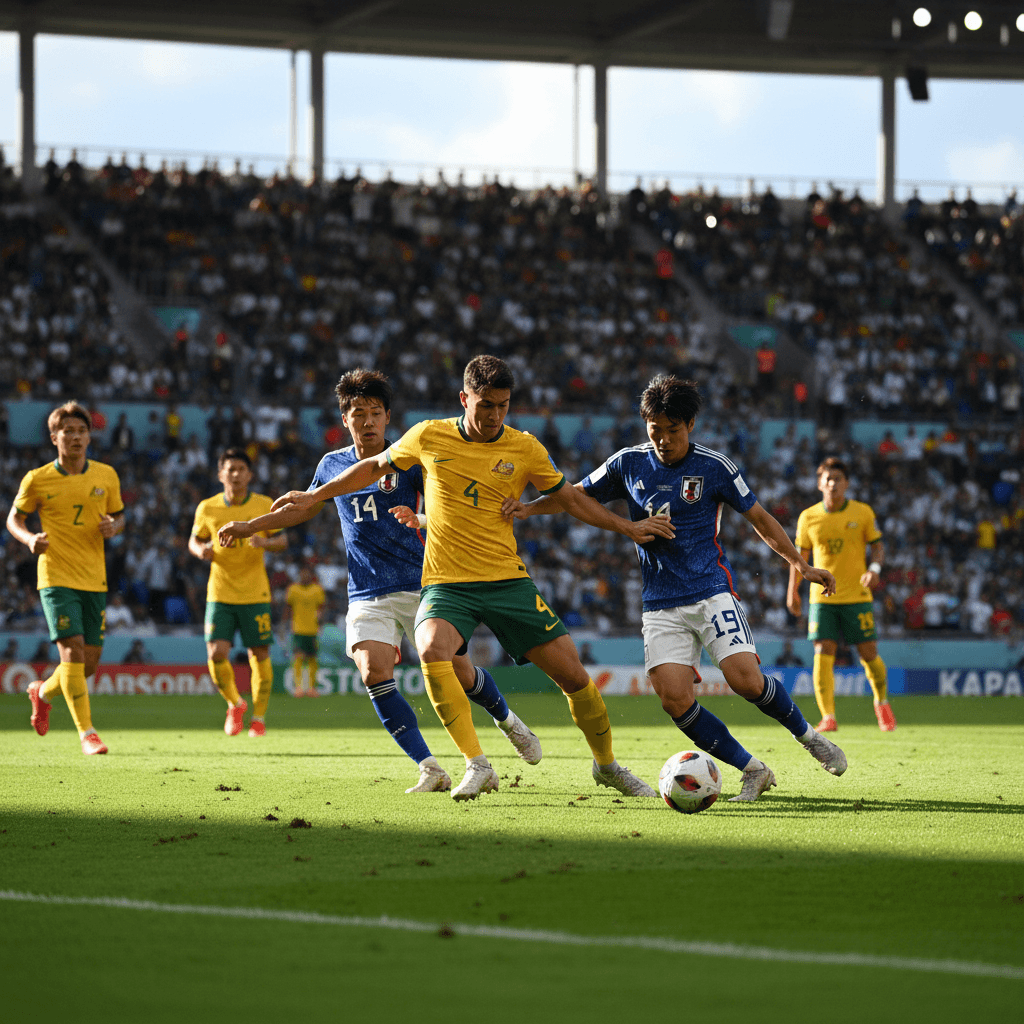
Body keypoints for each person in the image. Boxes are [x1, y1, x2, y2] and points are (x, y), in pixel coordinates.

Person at [265, 357, 674, 800]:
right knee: (431, 650)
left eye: (503, 405)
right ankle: (476, 764)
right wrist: (316, 495)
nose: (495, 415)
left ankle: (607, 766)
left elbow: (570, 499)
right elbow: (373, 468)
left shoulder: (525, 448)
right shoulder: (428, 435)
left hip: (507, 580)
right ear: (465, 399)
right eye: (485, 405)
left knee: (574, 677)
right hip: (447, 583)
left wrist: (627, 527)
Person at [503, 375, 847, 802]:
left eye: (673, 430)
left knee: (745, 681)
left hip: (710, 591)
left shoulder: (715, 467)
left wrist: (800, 563)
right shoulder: (628, 463)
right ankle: (754, 770)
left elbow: (759, 517)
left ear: (691, 425)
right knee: (674, 700)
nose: (663, 440)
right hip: (660, 602)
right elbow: (574, 495)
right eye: (655, 430)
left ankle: (810, 737)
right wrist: (529, 509)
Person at [219, 368, 544, 795]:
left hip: (423, 583)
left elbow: (448, 505)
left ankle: (508, 721)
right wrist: (249, 526)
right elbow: (303, 507)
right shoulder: (332, 465)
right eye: (358, 413)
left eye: (375, 412)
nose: (368, 421)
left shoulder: (409, 459)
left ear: (388, 417)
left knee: (461, 673)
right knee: (373, 672)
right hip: (367, 590)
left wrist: (427, 516)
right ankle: (431, 767)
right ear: (345, 419)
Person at [7, 401, 125, 755]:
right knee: (72, 652)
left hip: (94, 578)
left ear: (89, 437)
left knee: (86, 665)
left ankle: (41, 692)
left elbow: (119, 516)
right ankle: (87, 733)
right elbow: (14, 519)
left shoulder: (106, 475)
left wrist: (113, 527)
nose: (75, 437)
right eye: (68, 431)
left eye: (81, 431)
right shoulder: (37, 478)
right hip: (56, 576)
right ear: (54, 437)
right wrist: (29, 539)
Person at [787, 456, 896, 732]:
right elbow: (799, 558)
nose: (832, 484)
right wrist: (793, 591)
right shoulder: (808, 517)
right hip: (822, 597)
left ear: (846, 483)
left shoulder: (862, 513)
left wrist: (874, 569)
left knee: (869, 654)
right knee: (822, 651)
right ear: (819, 484)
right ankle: (828, 717)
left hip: (857, 595)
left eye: (837, 479)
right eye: (828, 479)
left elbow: (878, 548)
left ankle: (881, 702)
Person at [189, 448, 287, 738]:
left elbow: (282, 540)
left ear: (250, 475)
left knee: (259, 653)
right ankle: (235, 704)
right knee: (216, 652)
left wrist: (264, 543)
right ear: (221, 475)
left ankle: (258, 718)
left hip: (255, 593)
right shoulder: (207, 508)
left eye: (241, 469)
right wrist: (201, 551)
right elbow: (194, 540)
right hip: (220, 592)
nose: (236, 474)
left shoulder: (264, 504)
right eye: (230, 469)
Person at [285, 564, 326, 697]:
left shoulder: (317, 589)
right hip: (298, 629)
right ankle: (298, 688)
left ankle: (312, 688)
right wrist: (284, 625)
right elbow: (287, 608)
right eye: (302, 573)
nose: (305, 576)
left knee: (312, 659)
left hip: (312, 630)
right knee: (298, 657)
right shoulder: (293, 589)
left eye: (307, 573)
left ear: (311, 575)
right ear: (299, 575)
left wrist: (320, 622)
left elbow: (321, 607)